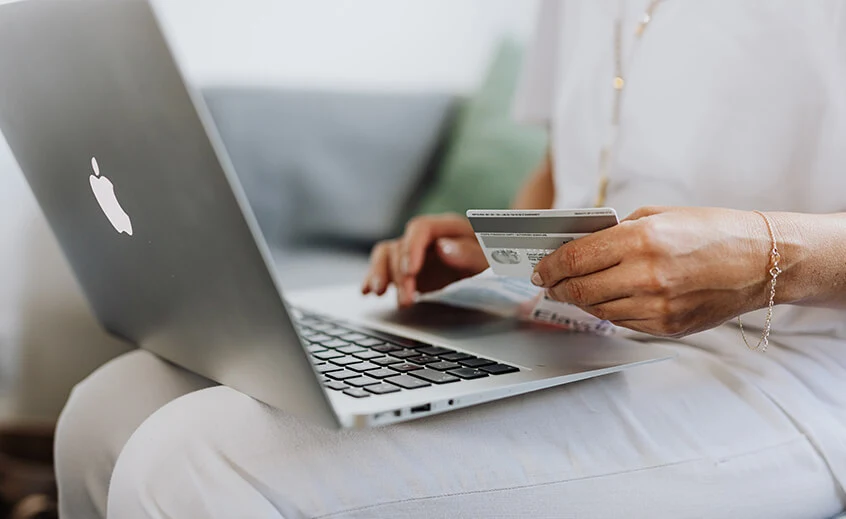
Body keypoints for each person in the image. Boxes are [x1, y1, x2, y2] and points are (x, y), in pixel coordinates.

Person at [55, 1, 846, 517]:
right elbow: (566, 157)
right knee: (108, 409)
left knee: (188, 462)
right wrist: (513, 244)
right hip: (571, 324)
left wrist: (763, 254)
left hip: (778, 368)